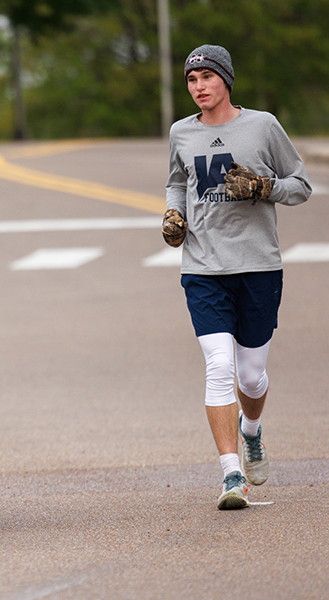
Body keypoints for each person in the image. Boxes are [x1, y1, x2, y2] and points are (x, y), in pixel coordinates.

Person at [163, 44, 311, 510]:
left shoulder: (262, 126)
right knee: (219, 367)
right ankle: (231, 476)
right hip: (204, 268)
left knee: (251, 376)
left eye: (207, 77)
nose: (199, 86)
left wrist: (265, 187)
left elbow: (301, 185)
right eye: (191, 80)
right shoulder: (181, 133)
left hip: (258, 266)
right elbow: (177, 180)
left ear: (226, 79)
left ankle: (252, 432)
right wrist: (173, 213)